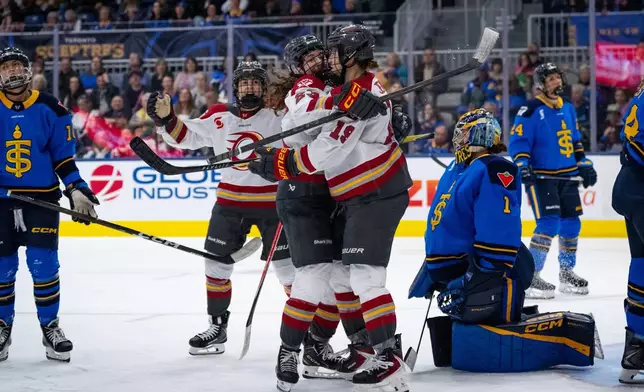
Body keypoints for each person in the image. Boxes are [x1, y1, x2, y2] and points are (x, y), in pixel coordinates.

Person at [249, 24, 412, 392]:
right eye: (317, 55)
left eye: (332, 52)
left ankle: (384, 354)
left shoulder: (356, 90)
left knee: (360, 278)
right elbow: (303, 119)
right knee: (333, 277)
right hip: (342, 196)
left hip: (372, 192)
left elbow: (331, 149)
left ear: (350, 56)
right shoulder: (332, 90)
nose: (325, 59)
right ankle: (324, 349)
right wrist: (339, 105)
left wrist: (387, 115)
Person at [408, 109, 601, 374]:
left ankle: (487, 303)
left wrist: (436, 271)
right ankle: (503, 315)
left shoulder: (457, 167)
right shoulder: (496, 167)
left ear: (481, 135)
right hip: (464, 267)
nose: (459, 140)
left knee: (517, 255)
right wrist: (483, 274)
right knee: (520, 263)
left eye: (464, 134)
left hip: (442, 266)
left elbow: (445, 223)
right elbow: (499, 230)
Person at [147, 61, 294, 356]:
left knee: (289, 272)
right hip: (229, 204)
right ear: (236, 88)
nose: (249, 88)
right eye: (244, 83)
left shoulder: (281, 115)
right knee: (215, 265)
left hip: (273, 204)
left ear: (263, 88)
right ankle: (217, 327)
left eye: (255, 83)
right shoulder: (219, 116)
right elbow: (186, 137)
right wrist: (166, 119)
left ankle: (305, 330)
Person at [0, 47, 100, 362]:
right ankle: (2, 327)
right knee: (2, 269)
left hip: (41, 200)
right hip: (0, 202)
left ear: (29, 72)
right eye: (6, 68)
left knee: (44, 267)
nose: (12, 72)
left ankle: (50, 327)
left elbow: (63, 157)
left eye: (18, 66)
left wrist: (76, 189)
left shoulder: (51, 108)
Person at [508, 62, 597, 299]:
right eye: (550, 79)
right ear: (540, 84)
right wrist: (522, 165)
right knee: (548, 224)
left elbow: (575, 140)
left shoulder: (567, 107)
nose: (556, 82)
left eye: (558, 77)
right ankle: (531, 275)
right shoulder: (530, 109)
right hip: (542, 177)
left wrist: (584, 164)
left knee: (571, 224)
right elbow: (518, 143)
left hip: (567, 175)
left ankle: (566, 272)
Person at [612, 78, 644, 384]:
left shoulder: (641, 95)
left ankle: (636, 349)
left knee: (642, 265)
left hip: (632, 188)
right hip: (638, 189)